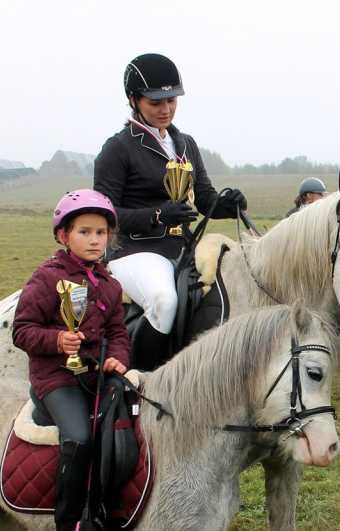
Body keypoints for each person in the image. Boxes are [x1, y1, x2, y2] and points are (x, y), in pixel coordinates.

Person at [93, 53, 248, 368]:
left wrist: (227, 205)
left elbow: (204, 198)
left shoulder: (186, 144)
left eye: (172, 100)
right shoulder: (118, 149)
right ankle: (141, 380)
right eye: (155, 102)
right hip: (135, 250)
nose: (165, 109)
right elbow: (103, 215)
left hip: (183, 247)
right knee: (164, 303)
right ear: (133, 99)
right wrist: (157, 216)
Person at [12, 190, 131, 531]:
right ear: (64, 236)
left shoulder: (110, 285)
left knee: (126, 426)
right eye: (85, 232)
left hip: (94, 375)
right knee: (79, 438)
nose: (95, 240)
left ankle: (112, 515)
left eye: (101, 232)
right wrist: (57, 340)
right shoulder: (48, 279)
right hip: (55, 377)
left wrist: (117, 359)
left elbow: (119, 333)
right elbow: (21, 330)